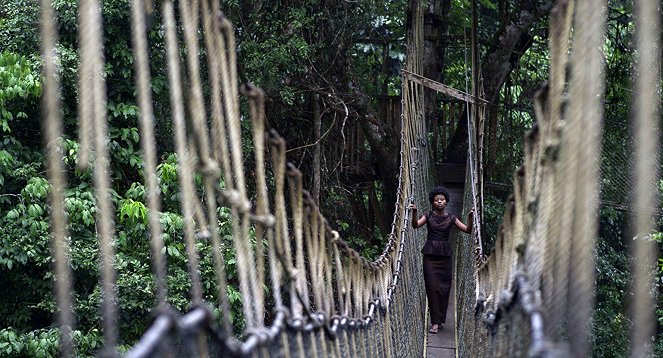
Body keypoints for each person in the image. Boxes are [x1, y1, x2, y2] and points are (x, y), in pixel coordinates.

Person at [408, 186, 473, 334]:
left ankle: (440, 320)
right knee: (432, 288)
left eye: (442, 200)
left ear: (446, 202)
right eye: (436, 200)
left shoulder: (452, 218)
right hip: (430, 258)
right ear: (433, 202)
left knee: (444, 290)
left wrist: (470, 217)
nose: (439, 202)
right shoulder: (428, 216)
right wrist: (414, 213)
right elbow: (415, 225)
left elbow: (467, 230)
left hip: (445, 259)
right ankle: (435, 323)